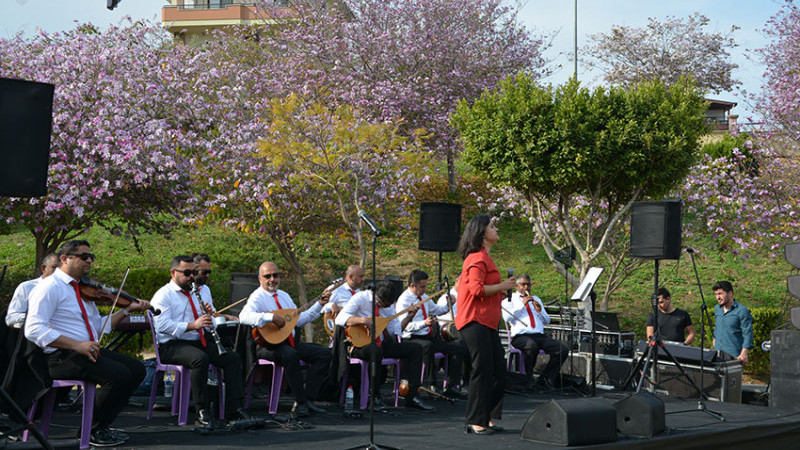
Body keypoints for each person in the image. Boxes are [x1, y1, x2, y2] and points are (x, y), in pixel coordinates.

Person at [24, 240, 150, 447]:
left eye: (91, 256)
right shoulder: (49, 288)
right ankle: (92, 430)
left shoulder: (83, 290)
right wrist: (76, 345)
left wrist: (127, 309)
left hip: (83, 350)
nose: (90, 260)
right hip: (59, 356)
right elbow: (33, 329)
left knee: (136, 368)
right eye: (84, 256)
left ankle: (100, 425)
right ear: (65, 259)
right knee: (119, 375)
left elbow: (99, 327)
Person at [150, 255, 250, 427]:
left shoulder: (202, 290)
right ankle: (202, 411)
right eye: (187, 273)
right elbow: (162, 326)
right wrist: (192, 325)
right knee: (199, 359)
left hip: (197, 341)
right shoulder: (163, 295)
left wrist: (210, 316)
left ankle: (234, 410)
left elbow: (205, 322)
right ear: (173, 273)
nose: (191, 277)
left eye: (193, 272)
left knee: (232, 358)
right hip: (171, 345)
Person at [239, 261, 332, 417]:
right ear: (260, 279)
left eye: (275, 275)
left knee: (324, 354)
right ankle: (299, 402)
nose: (272, 279)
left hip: (289, 342)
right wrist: (271, 317)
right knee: (290, 355)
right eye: (267, 276)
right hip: (267, 347)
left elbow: (299, 319)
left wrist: (319, 305)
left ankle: (308, 398)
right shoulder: (257, 297)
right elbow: (243, 317)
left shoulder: (284, 296)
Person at [455, 215, 516, 435]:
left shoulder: (485, 258)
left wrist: (500, 290)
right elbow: (476, 290)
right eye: (492, 226)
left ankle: (486, 416)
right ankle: (474, 420)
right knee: (481, 370)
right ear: (482, 234)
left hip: (488, 321)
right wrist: (502, 285)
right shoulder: (476, 258)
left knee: (498, 370)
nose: (496, 228)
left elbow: (486, 291)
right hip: (474, 320)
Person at [335, 280, 436, 412]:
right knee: (375, 351)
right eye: (383, 305)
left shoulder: (387, 307)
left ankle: (412, 396)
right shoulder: (361, 298)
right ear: (377, 297)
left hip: (380, 343)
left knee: (415, 348)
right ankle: (373, 396)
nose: (385, 307)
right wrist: (363, 320)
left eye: (388, 305)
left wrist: (409, 317)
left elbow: (395, 329)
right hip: (359, 345)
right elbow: (339, 319)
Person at [396, 269, 467, 398]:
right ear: (412, 286)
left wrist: (448, 304)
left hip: (427, 336)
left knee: (458, 348)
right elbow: (403, 326)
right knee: (427, 346)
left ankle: (452, 385)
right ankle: (431, 384)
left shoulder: (423, 297)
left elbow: (437, 310)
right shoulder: (404, 300)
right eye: (422, 286)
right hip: (412, 338)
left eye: (426, 286)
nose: (425, 289)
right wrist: (424, 323)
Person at [502, 274, 568, 390]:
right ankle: (528, 377)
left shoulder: (536, 299)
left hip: (539, 335)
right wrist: (522, 304)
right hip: (520, 336)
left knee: (562, 349)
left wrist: (540, 311)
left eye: (528, 284)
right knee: (531, 346)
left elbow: (547, 320)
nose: (526, 287)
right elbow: (507, 318)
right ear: (517, 286)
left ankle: (545, 378)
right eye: (523, 284)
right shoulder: (509, 299)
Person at [6, 253, 60, 327]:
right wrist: (35, 318)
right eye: (55, 267)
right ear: (44, 268)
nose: (59, 272)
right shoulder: (27, 287)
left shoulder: (71, 289)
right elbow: (12, 317)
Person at [712, 281, 754, 364]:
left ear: (730, 293)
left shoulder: (742, 311)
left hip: (734, 357)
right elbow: (717, 328)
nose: (718, 297)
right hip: (717, 355)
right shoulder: (717, 309)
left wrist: (744, 353)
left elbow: (748, 334)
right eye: (716, 294)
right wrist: (714, 341)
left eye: (720, 294)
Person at [191, 253, 238, 322]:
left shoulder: (205, 289)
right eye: (204, 272)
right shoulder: (185, 290)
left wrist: (227, 317)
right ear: (194, 271)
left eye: (209, 272)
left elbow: (214, 314)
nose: (207, 275)